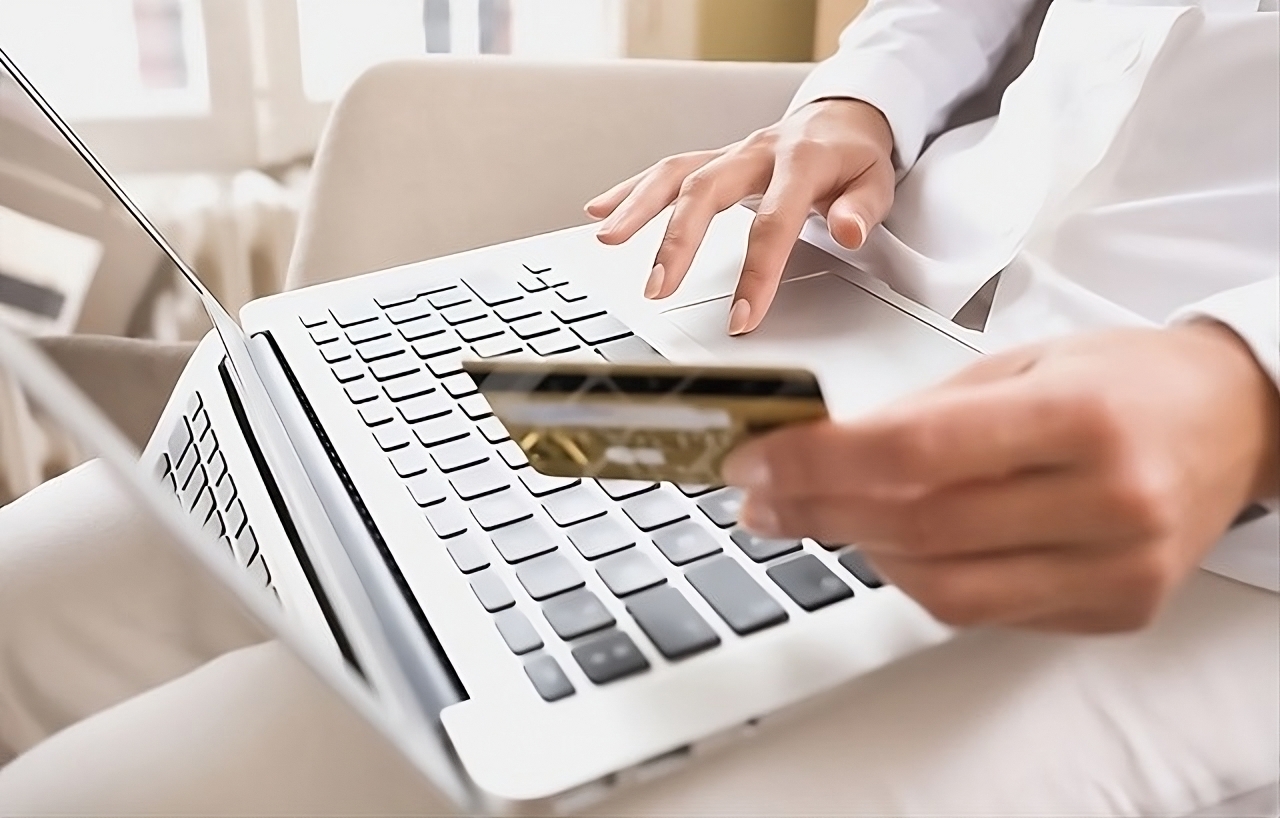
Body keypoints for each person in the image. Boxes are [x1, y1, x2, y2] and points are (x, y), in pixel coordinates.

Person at [0, 0, 1276, 814]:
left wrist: (1249, 389)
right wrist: (856, 102)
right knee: (49, 591)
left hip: (1216, 531)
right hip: (850, 302)